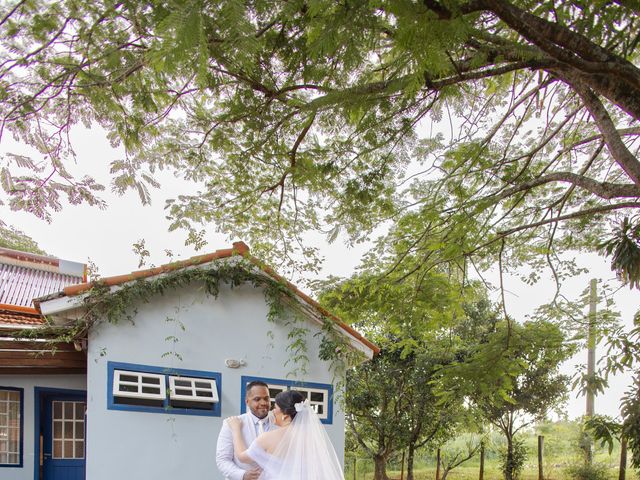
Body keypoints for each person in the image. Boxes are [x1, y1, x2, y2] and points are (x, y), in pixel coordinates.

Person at [226, 390, 345, 480]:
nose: (272, 411)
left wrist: (236, 429)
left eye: (275, 408)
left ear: (285, 416)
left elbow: (242, 457)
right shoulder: (311, 438)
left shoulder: (268, 438)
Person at [217, 381, 275, 480]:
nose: (263, 403)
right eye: (257, 399)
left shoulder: (280, 423)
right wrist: (242, 475)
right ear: (247, 402)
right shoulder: (231, 423)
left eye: (266, 398)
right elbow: (223, 460)